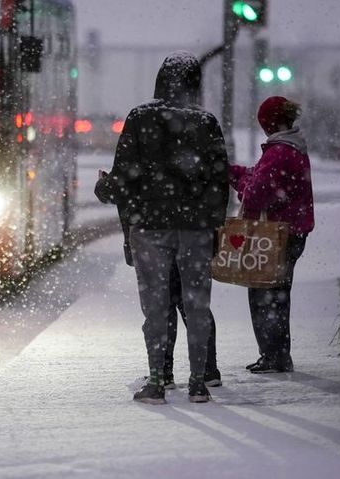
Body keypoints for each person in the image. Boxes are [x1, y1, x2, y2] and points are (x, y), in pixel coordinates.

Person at [95, 51, 229, 404]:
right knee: (196, 304)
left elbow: (124, 180)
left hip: (150, 228)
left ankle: (157, 381)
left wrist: (105, 187)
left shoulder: (140, 118)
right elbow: (220, 182)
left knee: (156, 306)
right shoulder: (207, 122)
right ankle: (199, 383)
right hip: (196, 228)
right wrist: (213, 225)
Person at [229, 96, 315, 374]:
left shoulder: (280, 151)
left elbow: (255, 193)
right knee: (278, 295)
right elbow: (258, 177)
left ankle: (273, 356)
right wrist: (235, 173)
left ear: (269, 123)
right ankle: (277, 354)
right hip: (292, 232)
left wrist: (242, 183)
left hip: (279, 235)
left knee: (265, 294)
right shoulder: (292, 147)